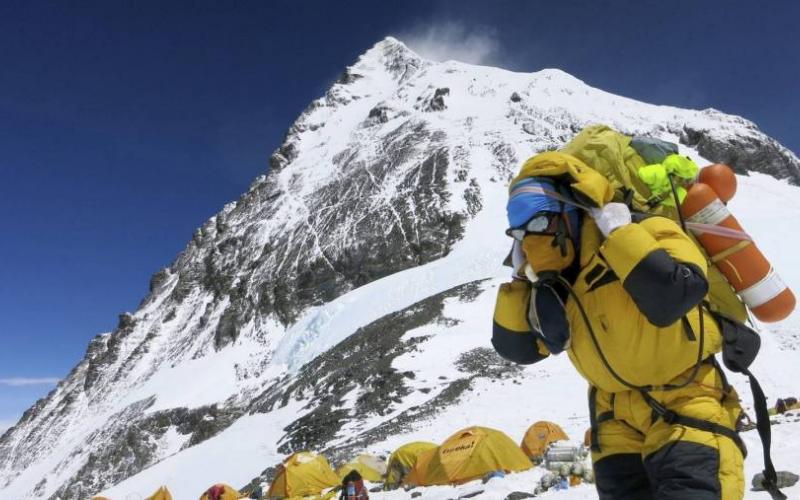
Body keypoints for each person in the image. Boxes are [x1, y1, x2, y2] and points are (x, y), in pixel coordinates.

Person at [493, 146, 751, 499]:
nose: (531, 238)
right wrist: (520, 280)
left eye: (538, 222)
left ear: (572, 211)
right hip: (613, 422)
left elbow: (676, 294)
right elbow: (517, 348)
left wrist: (619, 235)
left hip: (686, 403)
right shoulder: (554, 284)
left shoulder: (650, 229)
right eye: (520, 232)